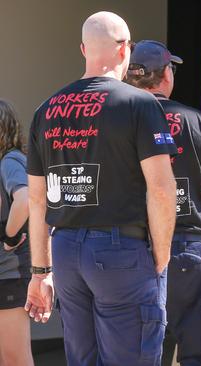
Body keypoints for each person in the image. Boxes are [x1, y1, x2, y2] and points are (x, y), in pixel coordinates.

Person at [25, 12, 177, 365]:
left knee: (82, 358)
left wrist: (40, 271)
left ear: (83, 49)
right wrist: (163, 252)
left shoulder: (46, 110)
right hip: (121, 249)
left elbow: (36, 199)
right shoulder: (140, 104)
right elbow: (161, 188)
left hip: (64, 250)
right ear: (125, 50)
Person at [125, 40, 201, 366]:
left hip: (132, 249)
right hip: (189, 251)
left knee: (143, 351)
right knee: (198, 353)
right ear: (166, 76)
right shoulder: (196, 122)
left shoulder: (116, 121)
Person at [0, 99, 33, 366]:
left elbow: (25, 199)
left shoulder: (10, 160)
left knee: (15, 358)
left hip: (9, 273)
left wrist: (9, 236)